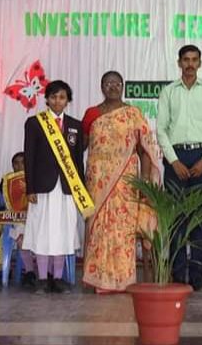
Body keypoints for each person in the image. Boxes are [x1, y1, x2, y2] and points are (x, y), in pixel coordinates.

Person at [82, 71, 159, 293]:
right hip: (98, 182)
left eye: (117, 83)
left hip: (126, 180)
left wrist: (145, 179)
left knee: (123, 228)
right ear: (101, 87)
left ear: (122, 86)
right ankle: (98, 279)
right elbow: (82, 145)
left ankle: (123, 279)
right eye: (108, 83)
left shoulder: (134, 114)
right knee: (98, 227)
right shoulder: (92, 114)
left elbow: (145, 150)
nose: (113, 87)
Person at [157, 44, 202, 291]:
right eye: (186, 60)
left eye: (194, 60)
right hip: (175, 158)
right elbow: (161, 130)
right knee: (176, 221)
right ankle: (177, 276)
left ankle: (196, 277)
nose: (190, 64)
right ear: (179, 63)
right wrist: (174, 161)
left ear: (200, 63)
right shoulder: (168, 92)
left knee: (198, 221)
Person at [23, 80, 85, 294]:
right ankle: (42, 278)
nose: (57, 101)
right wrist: (30, 188)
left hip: (67, 187)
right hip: (42, 187)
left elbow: (78, 161)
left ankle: (57, 278)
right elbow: (29, 157)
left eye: (62, 97)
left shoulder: (76, 125)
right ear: (47, 99)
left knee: (63, 231)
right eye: (53, 97)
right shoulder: (34, 123)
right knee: (42, 231)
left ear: (68, 101)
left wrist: (80, 190)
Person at [2, 152, 37, 288]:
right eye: (16, 163)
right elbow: (3, 201)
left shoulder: (37, 179)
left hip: (36, 219)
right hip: (18, 220)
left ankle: (48, 273)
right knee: (21, 237)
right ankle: (29, 271)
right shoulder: (7, 181)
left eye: (23, 162)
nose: (19, 165)